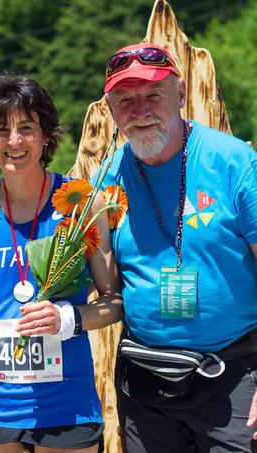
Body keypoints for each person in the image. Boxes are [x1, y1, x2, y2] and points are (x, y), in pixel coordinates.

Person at [99, 42, 257, 452]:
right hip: (145, 383)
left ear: (181, 94)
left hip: (234, 376)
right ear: (111, 110)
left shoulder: (235, 164)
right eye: (125, 101)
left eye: (153, 95)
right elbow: (104, 279)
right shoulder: (108, 177)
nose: (140, 111)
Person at [0, 74, 123, 453]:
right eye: (1, 130)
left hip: (65, 402)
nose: (14, 141)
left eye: (26, 128)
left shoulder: (81, 205)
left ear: (45, 135)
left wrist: (69, 319)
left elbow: (114, 301)